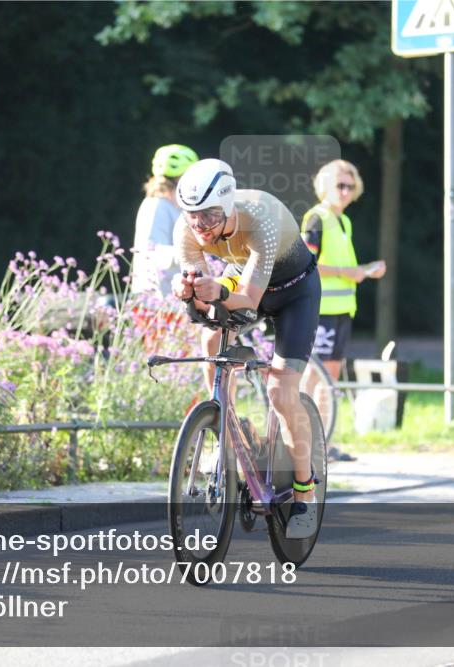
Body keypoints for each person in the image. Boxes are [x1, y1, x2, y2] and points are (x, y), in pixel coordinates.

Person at [171, 158, 321, 539]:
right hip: (244, 281)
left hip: (293, 292)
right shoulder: (185, 231)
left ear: (229, 206)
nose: (200, 227)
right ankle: (222, 422)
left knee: (281, 392)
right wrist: (188, 292)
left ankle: (305, 491)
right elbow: (206, 302)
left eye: (210, 217)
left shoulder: (260, 218)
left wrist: (217, 291)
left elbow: (249, 298)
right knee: (210, 339)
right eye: (192, 217)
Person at [302, 160, 386, 460]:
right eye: (340, 185)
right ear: (325, 186)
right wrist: (347, 272)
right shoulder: (316, 219)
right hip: (320, 309)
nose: (346, 191)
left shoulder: (344, 221)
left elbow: (344, 270)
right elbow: (306, 263)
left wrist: (364, 270)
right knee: (314, 376)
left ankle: (323, 442)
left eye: (351, 186)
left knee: (330, 378)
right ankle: (302, 441)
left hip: (341, 310)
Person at [129, 144, 199, 296]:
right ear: (179, 178)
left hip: (174, 295)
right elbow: (154, 250)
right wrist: (197, 253)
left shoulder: (178, 206)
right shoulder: (156, 205)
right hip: (154, 299)